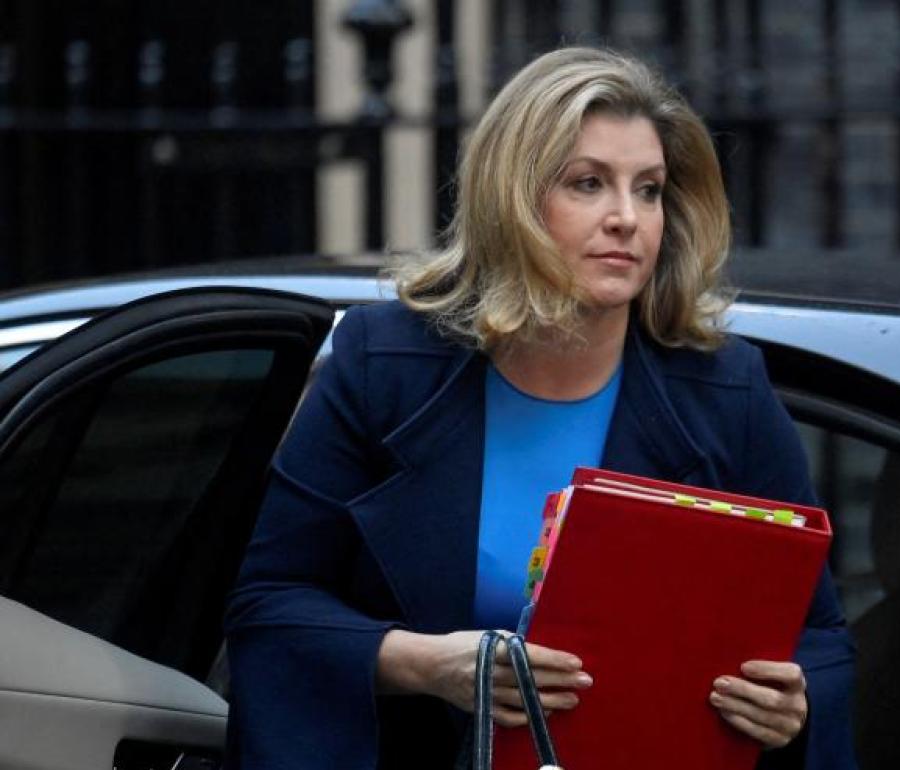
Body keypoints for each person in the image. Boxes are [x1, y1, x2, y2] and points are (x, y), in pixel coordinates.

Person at [224, 47, 855, 769]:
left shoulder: (725, 390)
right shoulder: (383, 367)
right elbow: (270, 604)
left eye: (648, 189)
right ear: (515, 199)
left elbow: (821, 638)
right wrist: (428, 665)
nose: (627, 218)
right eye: (589, 184)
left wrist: (792, 699)